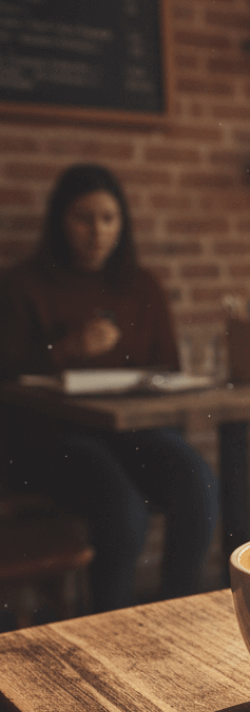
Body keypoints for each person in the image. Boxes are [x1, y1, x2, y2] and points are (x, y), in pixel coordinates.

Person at [0, 164, 218, 614]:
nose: (96, 232)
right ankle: (110, 627)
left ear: (123, 224)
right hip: (50, 436)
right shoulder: (22, 285)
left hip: (132, 431)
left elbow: (168, 370)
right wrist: (66, 349)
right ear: (60, 220)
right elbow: (6, 378)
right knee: (123, 513)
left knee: (197, 483)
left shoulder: (142, 285)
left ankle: (180, 614)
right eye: (83, 218)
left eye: (108, 219)